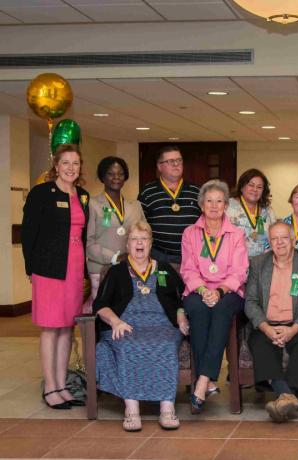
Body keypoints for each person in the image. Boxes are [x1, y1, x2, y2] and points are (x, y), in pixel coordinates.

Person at [93, 221, 188, 431]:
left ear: (150, 243)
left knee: (164, 344)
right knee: (128, 345)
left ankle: (167, 408)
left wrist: (181, 317)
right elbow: (100, 304)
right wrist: (115, 321)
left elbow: (183, 297)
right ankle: (132, 409)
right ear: (127, 245)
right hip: (127, 324)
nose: (139, 243)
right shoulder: (117, 271)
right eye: (134, 239)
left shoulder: (164, 269)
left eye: (144, 239)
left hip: (163, 324)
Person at [22, 144, 90, 410]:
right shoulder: (42, 193)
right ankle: (50, 387)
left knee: (66, 327)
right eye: (66, 163)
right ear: (56, 165)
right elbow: (29, 233)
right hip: (49, 268)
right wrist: (31, 267)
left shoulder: (82, 195)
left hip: (74, 268)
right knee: (50, 327)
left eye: (75, 163)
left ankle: (63, 384)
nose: (71, 168)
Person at [180, 180, 249, 413]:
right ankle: (206, 380)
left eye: (219, 201)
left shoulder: (236, 234)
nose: (214, 205)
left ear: (226, 205)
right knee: (198, 310)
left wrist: (219, 291)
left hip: (228, 292)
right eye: (209, 200)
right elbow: (188, 269)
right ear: (201, 204)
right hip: (198, 290)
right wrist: (203, 290)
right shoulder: (190, 233)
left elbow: (239, 271)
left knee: (220, 310)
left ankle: (202, 379)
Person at [244, 222, 298, 423]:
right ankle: (288, 396)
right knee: (258, 343)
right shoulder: (258, 263)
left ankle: (284, 395)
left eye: (284, 237)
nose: (279, 242)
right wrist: (266, 328)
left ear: (293, 240)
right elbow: (250, 301)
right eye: (274, 238)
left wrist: (293, 329)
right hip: (267, 324)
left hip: (297, 324)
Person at [85, 156, 145, 312]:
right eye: (111, 173)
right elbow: (87, 241)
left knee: (128, 312)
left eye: (120, 173)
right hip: (102, 269)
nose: (116, 177)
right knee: (103, 313)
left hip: (131, 268)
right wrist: (114, 258)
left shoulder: (136, 206)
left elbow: (145, 236)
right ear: (102, 177)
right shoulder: (92, 204)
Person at [138, 145, 201, 265]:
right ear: (160, 166)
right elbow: (141, 226)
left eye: (179, 160)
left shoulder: (196, 191)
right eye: (171, 161)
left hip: (191, 257)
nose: (176, 164)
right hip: (159, 256)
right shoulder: (147, 192)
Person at [226, 168, 278, 258]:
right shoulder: (227, 206)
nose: (255, 189)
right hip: (234, 263)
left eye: (259, 187)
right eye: (251, 185)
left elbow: (275, 235)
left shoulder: (268, 210)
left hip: (263, 264)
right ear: (242, 187)